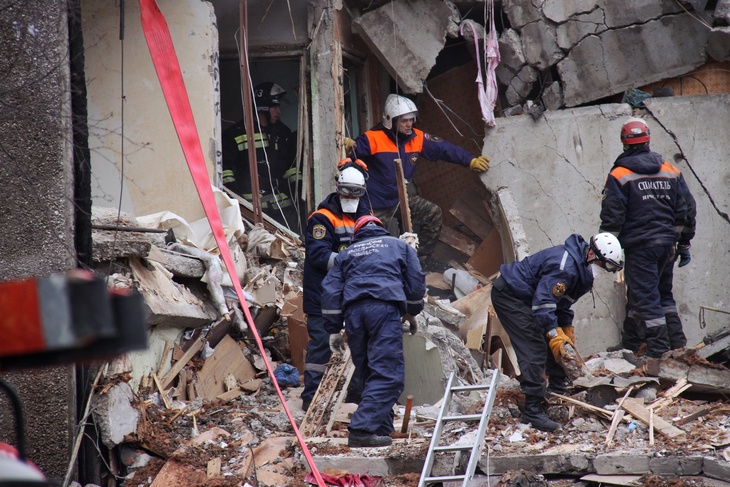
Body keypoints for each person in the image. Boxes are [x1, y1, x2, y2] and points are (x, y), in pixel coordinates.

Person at [491, 233, 624, 432]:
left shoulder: (583, 275)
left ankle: (557, 388)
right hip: (511, 295)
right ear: (591, 254)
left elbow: (562, 305)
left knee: (558, 343)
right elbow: (544, 305)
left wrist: (566, 330)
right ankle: (532, 412)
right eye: (604, 265)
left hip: (531, 298)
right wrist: (555, 334)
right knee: (534, 346)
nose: (604, 270)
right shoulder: (565, 267)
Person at [321, 215, 426, 447]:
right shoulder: (398, 246)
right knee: (389, 374)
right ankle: (361, 430)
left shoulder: (346, 254)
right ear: (381, 228)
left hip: (354, 315)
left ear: (356, 234)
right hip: (383, 308)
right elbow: (416, 280)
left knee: (369, 372)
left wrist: (334, 329)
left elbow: (330, 291)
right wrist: (412, 311)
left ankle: (381, 428)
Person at [343, 94, 490, 257]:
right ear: (391, 121)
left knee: (433, 213)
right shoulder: (373, 138)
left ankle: (421, 258)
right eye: (404, 121)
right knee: (370, 241)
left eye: (411, 120)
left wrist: (469, 160)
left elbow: (444, 148)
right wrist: (350, 147)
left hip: (400, 199)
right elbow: (352, 154)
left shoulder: (417, 137)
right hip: (375, 204)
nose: (409, 124)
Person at [600, 117, 696, 358]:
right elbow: (687, 209)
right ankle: (667, 346)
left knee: (646, 299)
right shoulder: (671, 170)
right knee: (659, 295)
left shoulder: (619, 174)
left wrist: (606, 250)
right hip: (667, 246)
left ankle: (659, 352)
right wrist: (683, 242)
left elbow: (613, 217)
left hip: (640, 247)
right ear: (648, 141)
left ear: (624, 143)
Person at [300, 159, 371, 412]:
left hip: (352, 294)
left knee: (358, 344)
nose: (351, 197)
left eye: (356, 193)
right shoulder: (322, 218)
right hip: (322, 294)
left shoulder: (366, 216)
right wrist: (353, 261)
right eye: (347, 192)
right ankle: (311, 398)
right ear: (338, 189)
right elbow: (318, 255)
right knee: (322, 344)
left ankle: (355, 395)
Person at [221, 81, 302, 231]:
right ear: (263, 107)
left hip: (282, 210)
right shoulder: (235, 134)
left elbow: (291, 168)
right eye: (274, 107)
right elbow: (226, 173)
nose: (279, 111)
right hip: (250, 211)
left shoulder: (282, 133)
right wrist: (237, 202)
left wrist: (300, 199)